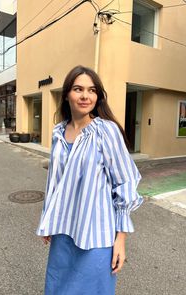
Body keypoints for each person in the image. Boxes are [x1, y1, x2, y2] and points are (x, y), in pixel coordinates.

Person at [36, 65, 143, 295]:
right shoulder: (58, 132)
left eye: (92, 90)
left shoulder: (106, 131)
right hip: (63, 234)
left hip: (96, 236)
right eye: (78, 89)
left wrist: (120, 240)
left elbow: (125, 182)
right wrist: (47, 219)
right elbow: (53, 182)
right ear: (66, 94)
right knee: (59, 289)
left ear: (98, 96)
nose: (86, 96)